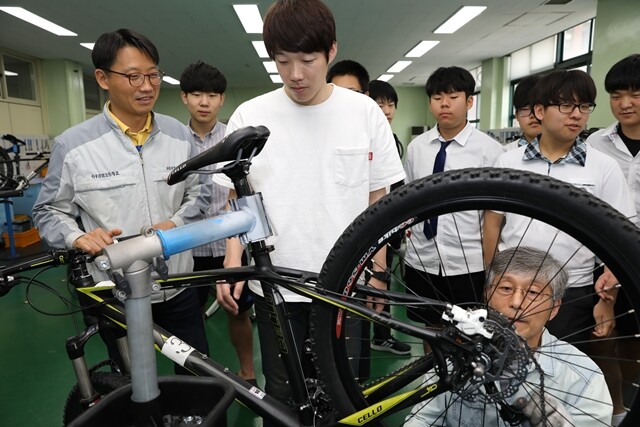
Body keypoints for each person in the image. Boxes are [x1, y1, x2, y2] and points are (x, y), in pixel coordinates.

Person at [213, 0, 405, 422]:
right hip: (274, 285)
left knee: (342, 391)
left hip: (343, 287)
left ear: (331, 51)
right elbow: (236, 198)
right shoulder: (250, 115)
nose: (295, 74)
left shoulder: (364, 113)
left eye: (307, 60)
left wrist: (376, 273)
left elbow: (380, 203)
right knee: (281, 396)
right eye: (283, 61)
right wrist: (231, 259)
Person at [32, 29, 211, 373]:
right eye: (133, 76)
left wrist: (174, 226)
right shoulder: (74, 147)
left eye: (153, 74)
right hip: (114, 294)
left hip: (177, 287)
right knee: (132, 385)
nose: (147, 86)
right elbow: (49, 210)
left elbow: (199, 194)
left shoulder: (179, 135)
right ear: (102, 78)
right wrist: (77, 237)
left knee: (198, 379)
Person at [483, 69, 636, 355]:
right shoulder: (508, 161)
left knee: (562, 371)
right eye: (566, 105)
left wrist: (608, 300)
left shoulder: (603, 167)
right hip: (512, 287)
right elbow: (493, 223)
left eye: (584, 106)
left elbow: (619, 233)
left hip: (571, 292)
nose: (576, 115)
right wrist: (492, 280)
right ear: (540, 110)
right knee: (502, 362)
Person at [405, 246, 612, 426]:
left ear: (554, 308)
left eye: (533, 292)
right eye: (505, 288)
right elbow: (422, 419)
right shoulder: (458, 353)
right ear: (486, 295)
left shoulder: (583, 377)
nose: (516, 302)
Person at [403, 66, 504, 336]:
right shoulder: (417, 148)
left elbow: (493, 216)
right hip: (422, 259)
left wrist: (491, 270)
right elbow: (410, 200)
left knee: (469, 333)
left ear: (469, 101)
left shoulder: (491, 151)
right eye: (437, 98)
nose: (444, 104)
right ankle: (438, 378)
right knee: (430, 330)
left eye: (453, 96)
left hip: (468, 263)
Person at [179, 61, 256, 384]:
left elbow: (247, 193)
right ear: (184, 97)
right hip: (187, 248)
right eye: (196, 94)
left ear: (222, 99)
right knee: (185, 318)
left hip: (230, 246)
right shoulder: (173, 140)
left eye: (212, 95)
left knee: (237, 311)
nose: (204, 102)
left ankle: (248, 373)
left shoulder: (235, 139)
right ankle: (197, 381)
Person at [586, 53, 640, 426]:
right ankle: (617, 411)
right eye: (616, 95)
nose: (624, 104)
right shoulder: (596, 143)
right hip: (604, 262)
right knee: (605, 339)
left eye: (636, 94)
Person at [504, 74, 541, 150]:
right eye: (525, 109)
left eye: (539, 109)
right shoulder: (504, 154)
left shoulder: (568, 152)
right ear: (517, 115)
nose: (533, 115)